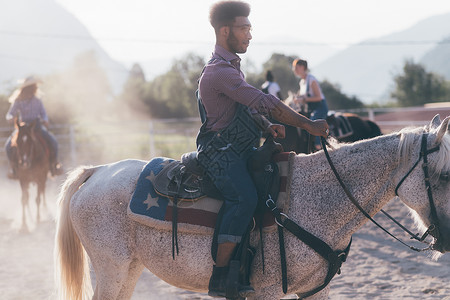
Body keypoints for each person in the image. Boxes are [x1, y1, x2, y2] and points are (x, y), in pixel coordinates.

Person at [196, 1, 329, 297]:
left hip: (237, 148)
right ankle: (221, 276)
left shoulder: (231, 68)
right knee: (244, 197)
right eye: (244, 29)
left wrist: (265, 127)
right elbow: (266, 103)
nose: (250, 35)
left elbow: (248, 109)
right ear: (225, 30)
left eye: (250, 28)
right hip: (220, 153)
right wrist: (307, 125)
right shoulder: (219, 72)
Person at [5, 76, 62, 179]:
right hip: (22, 128)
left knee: (53, 141)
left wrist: (45, 119)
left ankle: (54, 165)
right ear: (28, 88)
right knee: (8, 145)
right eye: (33, 86)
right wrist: (10, 118)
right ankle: (13, 168)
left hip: (36, 127)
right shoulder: (18, 101)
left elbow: (43, 113)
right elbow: (10, 113)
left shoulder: (37, 101)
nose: (35, 88)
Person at [291, 58, 329, 150]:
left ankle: (318, 146)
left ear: (302, 67)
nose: (294, 70)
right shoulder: (302, 82)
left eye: (296, 67)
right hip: (310, 108)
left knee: (312, 123)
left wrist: (303, 99)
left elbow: (318, 97)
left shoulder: (311, 80)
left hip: (320, 107)